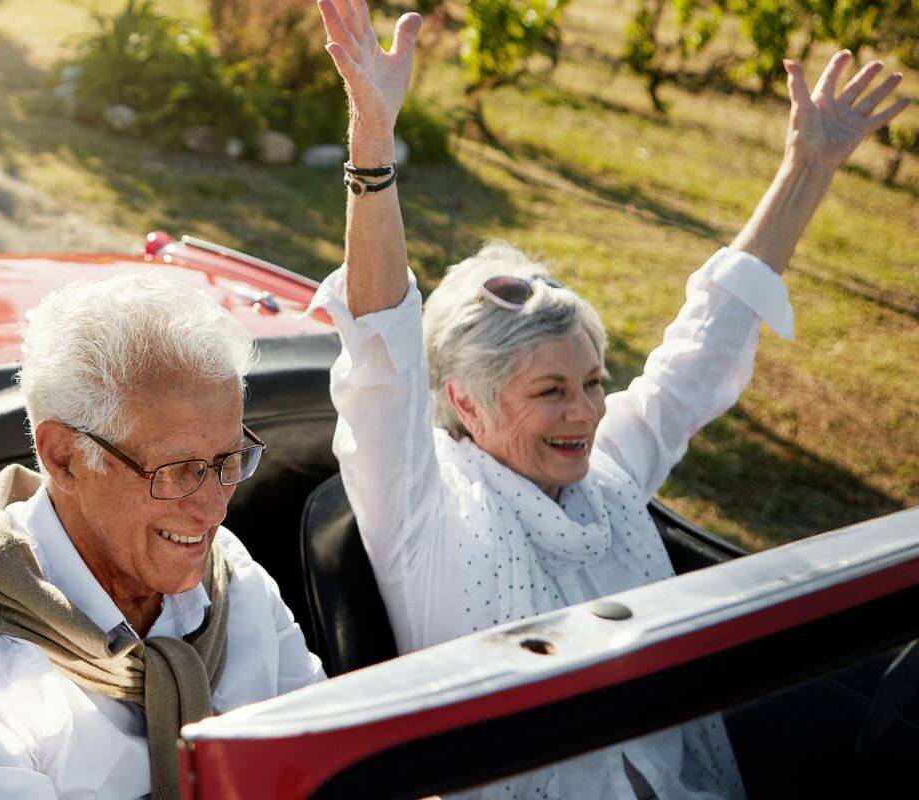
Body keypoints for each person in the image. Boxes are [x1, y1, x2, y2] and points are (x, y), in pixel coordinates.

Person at [312, 0, 909, 797]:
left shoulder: (604, 474)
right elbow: (382, 344)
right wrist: (373, 139)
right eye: (551, 391)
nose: (588, 412)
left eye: (593, 382)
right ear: (465, 400)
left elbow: (703, 346)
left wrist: (808, 166)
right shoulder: (422, 510)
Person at [0, 272, 325, 800]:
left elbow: (336, 760)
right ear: (64, 459)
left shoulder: (232, 579)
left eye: (227, 460)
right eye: (175, 469)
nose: (213, 507)